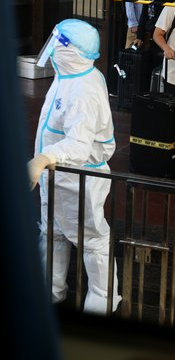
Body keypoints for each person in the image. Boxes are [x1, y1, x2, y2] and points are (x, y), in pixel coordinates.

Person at [27, 19, 122, 315]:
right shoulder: (69, 75)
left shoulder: (83, 90)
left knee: (92, 240)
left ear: (70, 50)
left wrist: (43, 159)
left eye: (58, 42)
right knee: (53, 231)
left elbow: (79, 146)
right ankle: (49, 292)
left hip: (79, 178)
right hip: (58, 176)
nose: (52, 47)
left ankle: (102, 302)